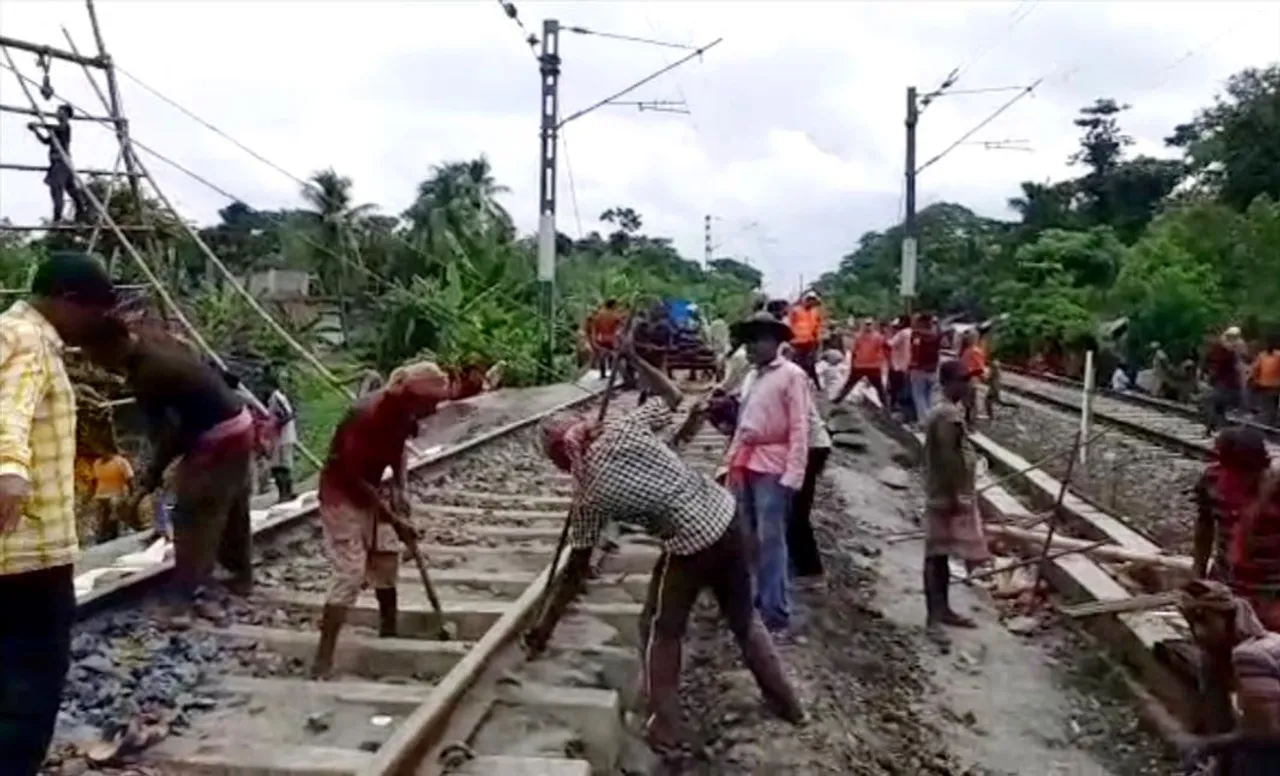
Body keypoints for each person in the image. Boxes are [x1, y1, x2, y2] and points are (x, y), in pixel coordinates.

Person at [525, 341, 804, 762]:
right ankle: (789, 705)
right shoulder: (622, 427)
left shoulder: (587, 496)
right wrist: (638, 362)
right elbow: (673, 397)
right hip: (726, 517)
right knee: (744, 622)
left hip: (691, 543)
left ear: (560, 460)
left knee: (663, 631)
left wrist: (545, 627)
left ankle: (665, 731)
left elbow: (574, 572)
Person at [0, 253, 118, 774]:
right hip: (32, 552)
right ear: (68, 301)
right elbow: (10, 409)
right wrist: (9, 469)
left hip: (14, 549)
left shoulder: (7, 332)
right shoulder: (30, 341)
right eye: (94, 312)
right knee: (31, 684)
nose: (94, 326)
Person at [310, 361, 500, 678]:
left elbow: (397, 450)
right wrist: (396, 521)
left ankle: (389, 633)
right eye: (431, 403)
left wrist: (400, 488)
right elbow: (353, 476)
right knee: (351, 572)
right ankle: (323, 657)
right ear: (411, 398)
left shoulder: (405, 414)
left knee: (386, 561)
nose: (434, 409)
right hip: (341, 494)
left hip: (372, 489)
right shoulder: (367, 415)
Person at [84, 318, 255, 624]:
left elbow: (169, 435)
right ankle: (241, 576)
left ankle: (182, 601)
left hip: (217, 435)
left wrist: (149, 479)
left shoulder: (147, 373)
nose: (96, 365)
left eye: (95, 355)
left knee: (192, 514)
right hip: (238, 422)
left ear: (112, 345)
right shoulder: (153, 342)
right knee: (230, 507)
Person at [725, 311, 810, 633]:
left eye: (757, 341)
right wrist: (731, 458)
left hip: (774, 466)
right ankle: (758, 599)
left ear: (775, 343)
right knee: (749, 537)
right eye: (748, 341)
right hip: (749, 461)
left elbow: (800, 427)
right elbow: (744, 423)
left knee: (770, 538)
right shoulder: (751, 376)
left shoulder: (791, 375)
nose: (750, 348)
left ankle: (775, 611)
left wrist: (794, 474)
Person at [1175, 580, 1280, 775]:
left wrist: (1206, 745)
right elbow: (1219, 722)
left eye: (1205, 620)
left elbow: (1268, 732)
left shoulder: (1251, 655)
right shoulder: (1215, 662)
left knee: (1256, 758)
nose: (1197, 632)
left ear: (1229, 618)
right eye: (1192, 622)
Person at [921, 359, 990, 642]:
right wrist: (958, 496)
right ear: (947, 383)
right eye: (962, 380)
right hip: (943, 496)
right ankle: (933, 618)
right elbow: (950, 461)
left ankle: (943, 610)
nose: (968, 385)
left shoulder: (950, 411)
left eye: (969, 379)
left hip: (944, 493)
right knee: (936, 555)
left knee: (943, 554)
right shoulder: (947, 416)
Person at [27, 104, 89, 224]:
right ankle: (81, 213)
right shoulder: (56, 130)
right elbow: (46, 141)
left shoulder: (65, 127)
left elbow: (57, 128)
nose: (57, 113)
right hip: (61, 164)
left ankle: (58, 217)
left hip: (61, 163)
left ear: (66, 114)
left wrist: (39, 123)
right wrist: (36, 130)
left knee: (57, 190)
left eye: (60, 111)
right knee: (71, 190)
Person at [834, 318, 887, 408]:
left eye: (869, 324)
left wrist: (880, 365)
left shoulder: (872, 337)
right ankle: (885, 405)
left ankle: (837, 400)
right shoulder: (871, 337)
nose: (868, 326)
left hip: (867, 366)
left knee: (877, 387)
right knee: (851, 384)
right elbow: (854, 351)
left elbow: (881, 352)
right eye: (867, 324)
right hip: (866, 366)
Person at [1205, 327, 1246, 434]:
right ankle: (1214, 428)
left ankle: (1214, 428)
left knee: (1219, 406)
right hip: (1225, 382)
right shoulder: (1227, 349)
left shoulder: (1226, 348)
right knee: (1218, 405)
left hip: (1226, 382)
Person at [264, 372, 298, 503]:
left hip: (284, 435)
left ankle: (286, 494)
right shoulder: (274, 398)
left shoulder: (276, 397)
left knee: (281, 466)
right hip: (280, 436)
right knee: (280, 466)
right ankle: (286, 493)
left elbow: (288, 414)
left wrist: (275, 424)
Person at [92, 447, 136, 542]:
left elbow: (129, 479)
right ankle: (106, 533)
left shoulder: (119, 462)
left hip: (110, 494)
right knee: (106, 513)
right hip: (106, 494)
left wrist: (132, 493)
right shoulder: (99, 463)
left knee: (110, 511)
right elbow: (95, 480)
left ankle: (109, 533)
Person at [787, 291, 825, 389]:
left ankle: (815, 384)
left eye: (814, 302)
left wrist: (818, 339)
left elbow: (817, 326)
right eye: (811, 301)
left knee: (810, 364)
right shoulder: (796, 311)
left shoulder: (815, 312)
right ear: (807, 300)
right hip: (796, 343)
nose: (813, 304)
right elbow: (789, 325)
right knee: (796, 364)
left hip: (809, 342)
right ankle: (796, 384)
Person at [908, 313, 941, 422]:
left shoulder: (916, 335)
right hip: (932, 369)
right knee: (930, 398)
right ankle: (931, 421)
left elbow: (915, 351)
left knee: (919, 396)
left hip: (919, 370)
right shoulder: (935, 336)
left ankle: (923, 421)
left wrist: (912, 365)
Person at [585, 299, 625, 380]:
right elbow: (621, 323)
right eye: (616, 305)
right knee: (612, 355)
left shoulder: (598, 315)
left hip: (601, 338)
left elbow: (594, 328)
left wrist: (594, 338)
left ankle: (603, 373)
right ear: (612, 305)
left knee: (602, 356)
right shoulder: (614, 314)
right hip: (611, 338)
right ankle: (611, 372)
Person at [958, 330, 988, 426]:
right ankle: (969, 421)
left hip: (971, 379)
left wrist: (975, 374)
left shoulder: (975, 351)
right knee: (967, 402)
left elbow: (980, 367)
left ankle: (971, 423)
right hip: (966, 378)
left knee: (970, 403)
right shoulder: (967, 350)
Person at [1249, 335, 1280, 427]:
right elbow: (1255, 369)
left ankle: (1269, 422)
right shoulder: (1263, 356)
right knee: (1269, 404)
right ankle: (1269, 421)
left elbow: (1254, 369)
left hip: (1271, 385)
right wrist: (1253, 379)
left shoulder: (1265, 355)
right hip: (1268, 385)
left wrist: (1253, 379)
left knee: (1269, 404)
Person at [887, 316, 914, 422]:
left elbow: (890, 344)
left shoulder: (902, 333)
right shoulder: (912, 332)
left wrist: (889, 333)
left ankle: (895, 408)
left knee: (895, 389)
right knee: (907, 389)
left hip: (898, 365)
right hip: (909, 365)